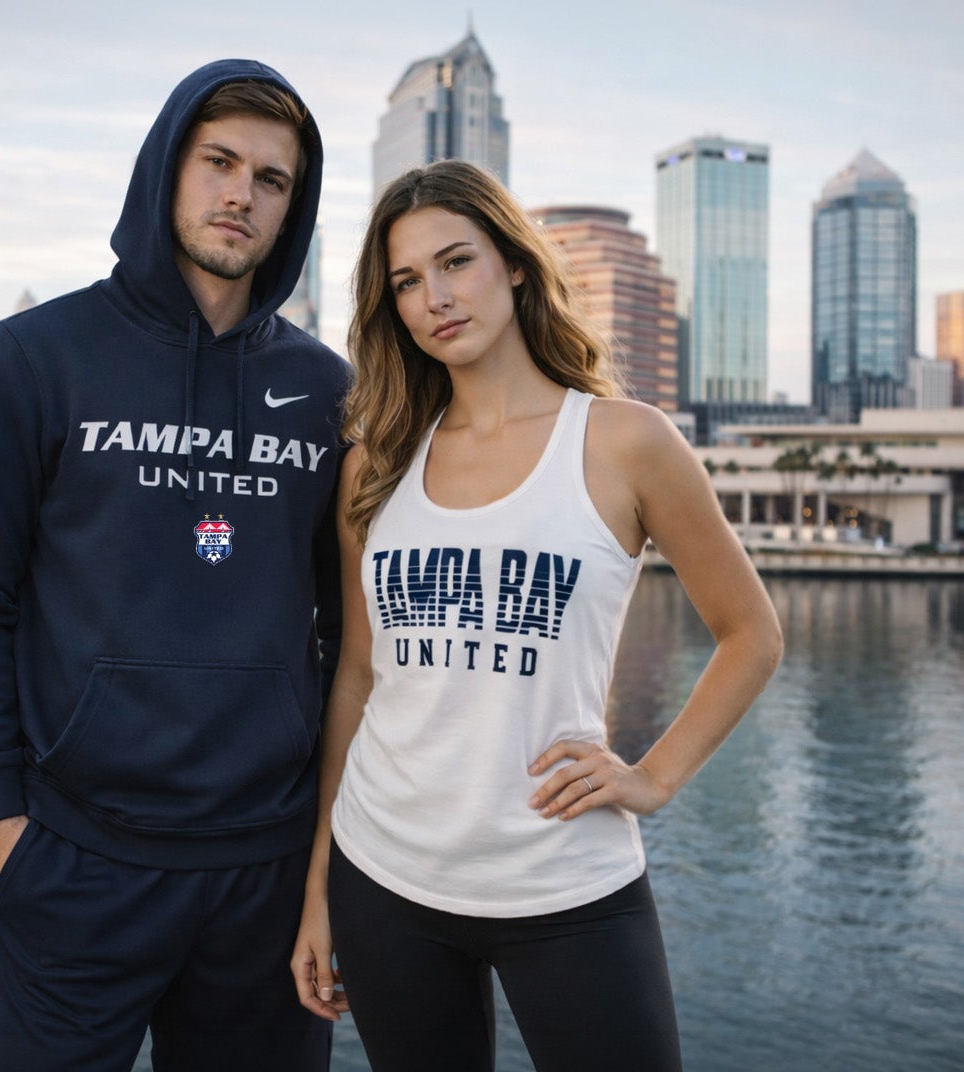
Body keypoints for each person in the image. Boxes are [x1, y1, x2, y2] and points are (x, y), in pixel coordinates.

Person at [290, 160, 784, 1070]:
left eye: (456, 262)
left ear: (514, 264)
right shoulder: (374, 465)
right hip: (386, 878)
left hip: (566, 884)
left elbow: (752, 634)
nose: (435, 296)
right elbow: (356, 677)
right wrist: (320, 881)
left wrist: (653, 776)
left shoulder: (625, 441)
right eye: (406, 281)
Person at [0, 59, 348, 1071]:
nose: (242, 193)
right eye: (219, 161)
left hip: (265, 877)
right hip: (73, 865)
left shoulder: (330, 392)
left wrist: (326, 867)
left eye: (273, 180)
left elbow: (349, 639)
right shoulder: (33, 358)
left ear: (296, 209)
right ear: (165, 171)